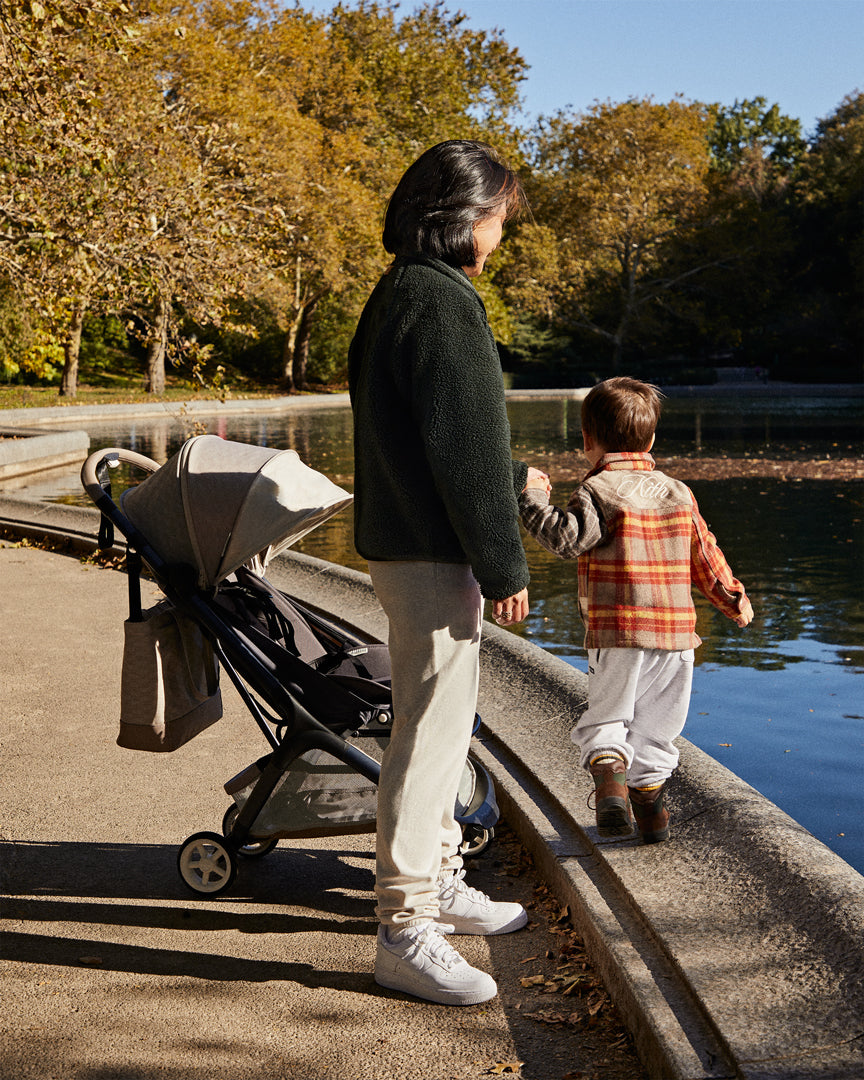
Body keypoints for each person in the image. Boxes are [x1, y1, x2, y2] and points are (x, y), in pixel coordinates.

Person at [348, 140, 545, 1006]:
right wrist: (504, 560)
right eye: (500, 215)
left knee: (440, 726)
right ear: (465, 217)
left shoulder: (400, 295)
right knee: (428, 741)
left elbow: (445, 441)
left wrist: (506, 485)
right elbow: (463, 451)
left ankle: (435, 886)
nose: (503, 232)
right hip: (433, 555)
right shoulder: (442, 303)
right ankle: (404, 929)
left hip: (409, 546)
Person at [519, 377, 753, 844]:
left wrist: (529, 497)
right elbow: (704, 554)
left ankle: (610, 781)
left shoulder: (597, 490)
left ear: (588, 441)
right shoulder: (678, 493)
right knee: (658, 730)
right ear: (651, 440)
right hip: (676, 638)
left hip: (617, 634)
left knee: (608, 719)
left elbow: (565, 539)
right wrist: (732, 598)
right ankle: (649, 812)